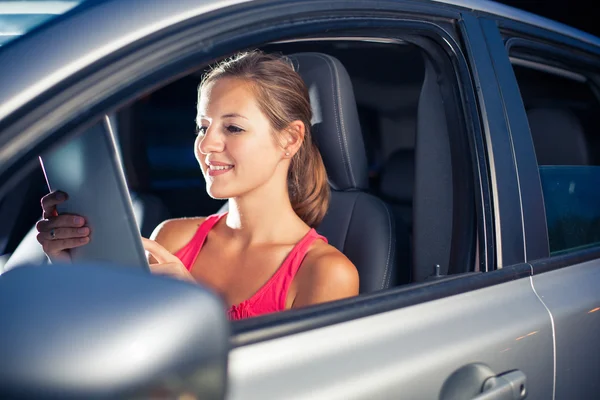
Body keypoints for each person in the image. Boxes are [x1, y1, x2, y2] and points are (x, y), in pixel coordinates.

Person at [36, 50, 359, 320]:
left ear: (290, 139)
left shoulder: (325, 272)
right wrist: (67, 266)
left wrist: (195, 309)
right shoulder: (174, 237)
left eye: (232, 128)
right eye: (203, 127)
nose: (206, 145)